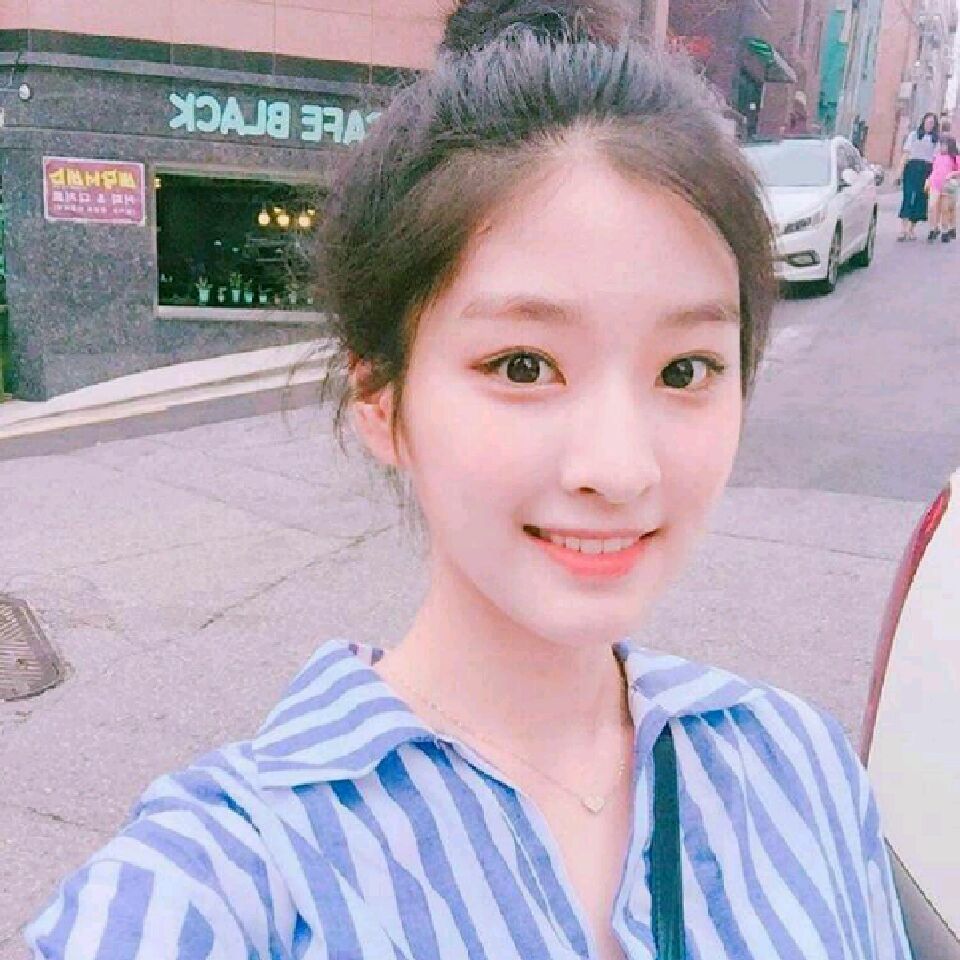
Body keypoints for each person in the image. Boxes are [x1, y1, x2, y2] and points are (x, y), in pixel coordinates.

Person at [24, 3, 913, 959]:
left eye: (684, 370)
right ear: (381, 400)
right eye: (525, 366)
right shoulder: (235, 871)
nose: (618, 470)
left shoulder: (800, 771)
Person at [898, 112, 939, 241]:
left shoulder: (935, 140)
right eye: (928, 122)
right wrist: (900, 170)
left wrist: (933, 176)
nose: (929, 125)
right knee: (908, 196)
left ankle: (911, 228)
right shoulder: (914, 135)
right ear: (923, 122)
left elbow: (936, 159)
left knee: (920, 198)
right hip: (912, 167)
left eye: (932, 123)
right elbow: (906, 153)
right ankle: (903, 229)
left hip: (927, 169)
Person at [925, 134, 960, 242]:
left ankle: (945, 230)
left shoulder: (954, 158)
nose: (942, 147)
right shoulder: (937, 157)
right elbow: (934, 170)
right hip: (935, 184)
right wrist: (928, 180)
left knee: (945, 209)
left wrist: (952, 174)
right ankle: (933, 228)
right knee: (932, 207)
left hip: (947, 186)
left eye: (944, 145)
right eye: (941, 145)